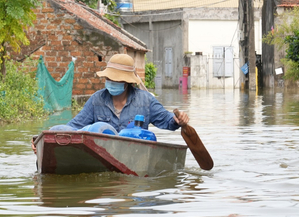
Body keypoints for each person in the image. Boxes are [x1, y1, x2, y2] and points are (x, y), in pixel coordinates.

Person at [32, 54, 188, 152]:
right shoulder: (96, 100)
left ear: (127, 82)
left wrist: (178, 120)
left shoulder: (145, 100)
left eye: (116, 79)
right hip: (103, 154)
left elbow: (167, 121)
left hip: (132, 155)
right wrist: (42, 140)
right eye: (109, 79)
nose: (111, 82)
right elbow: (73, 127)